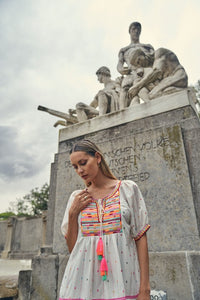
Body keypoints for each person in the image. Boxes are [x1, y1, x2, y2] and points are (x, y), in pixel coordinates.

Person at [59, 139, 151, 300]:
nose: (80, 170)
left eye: (83, 163)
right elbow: (74, 249)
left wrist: (145, 288)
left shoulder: (128, 190)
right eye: (75, 167)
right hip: (82, 286)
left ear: (98, 157)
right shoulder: (77, 198)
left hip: (124, 281)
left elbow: (140, 237)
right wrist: (73, 214)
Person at [117, 22, 154, 108]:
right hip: (131, 72)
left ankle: (152, 105)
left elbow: (154, 60)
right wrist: (121, 69)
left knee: (143, 88)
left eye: (138, 29)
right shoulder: (124, 50)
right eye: (134, 29)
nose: (136, 31)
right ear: (129, 31)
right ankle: (122, 113)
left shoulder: (147, 47)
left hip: (146, 71)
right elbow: (119, 64)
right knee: (125, 87)